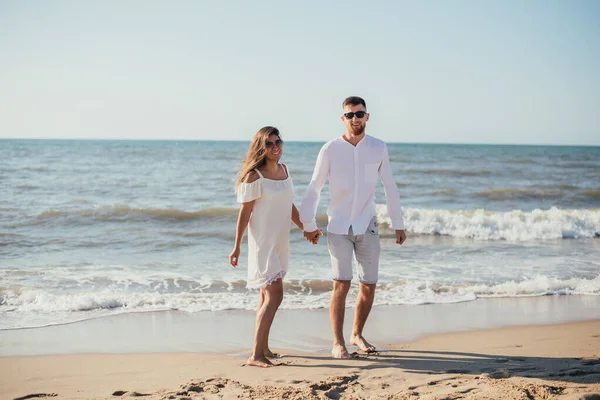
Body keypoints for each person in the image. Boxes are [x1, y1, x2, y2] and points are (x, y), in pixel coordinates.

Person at [299, 96, 407, 359]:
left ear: (367, 117)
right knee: (341, 284)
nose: (355, 119)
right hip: (337, 227)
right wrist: (308, 224)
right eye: (350, 115)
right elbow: (315, 188)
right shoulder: (329, 149)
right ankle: (338, 343)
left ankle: (356, 333)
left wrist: (398, 223)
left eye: (360, 114)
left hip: (367, 224)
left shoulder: (378, 148)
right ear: (343, 119)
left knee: (369, 285)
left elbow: (389, 186)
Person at [230, 126, 319, 368]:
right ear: (261, 147)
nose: (275, 146)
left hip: (281, 242)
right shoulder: (254, 177)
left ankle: (263, 348)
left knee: (265, 297)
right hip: (263, 244)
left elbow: (289, 206)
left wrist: (306, 229)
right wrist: (237, 246)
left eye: (278, 141)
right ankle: (255, 356)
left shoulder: (284, 170)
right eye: (269, 143)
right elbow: (245, 213)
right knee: (275, 295)